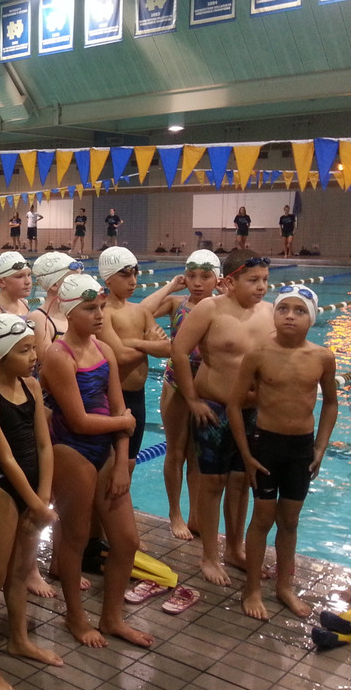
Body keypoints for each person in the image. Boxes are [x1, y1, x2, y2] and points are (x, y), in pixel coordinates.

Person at [40, 273, 151, 648]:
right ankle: (75, 617)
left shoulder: (104, 350)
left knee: (127, 540)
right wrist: (124, 423)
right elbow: (79, 421)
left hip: (105, 449)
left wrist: (121, 463)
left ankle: (112, 618)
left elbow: (119, 406)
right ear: (70, 312)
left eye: (101, 307)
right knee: (74, 538)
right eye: (90, 308)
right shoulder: (58, 356)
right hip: (71, 450)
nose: (100, 314)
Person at [230, 286, 336, 620]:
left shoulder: (322, 357)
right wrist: (246, 454)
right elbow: (234, 404)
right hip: (266, 445)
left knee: (289, 520)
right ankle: (252, 589)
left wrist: (320, 447)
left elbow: (331, 403)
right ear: (274, 314)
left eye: (299, 310)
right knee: (262, 518)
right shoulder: (258, 353)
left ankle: (284, 587)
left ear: (312, 318)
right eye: (283, 308)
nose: (290, 316)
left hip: (301, 448)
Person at [171, 249, 273, 586]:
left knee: (242, 482)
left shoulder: (269, 312)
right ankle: (209, 555)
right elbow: (179, 352)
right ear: (230, 281)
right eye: (253, 280)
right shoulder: (209, 309)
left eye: (265, 280)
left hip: (251, 413)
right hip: (214, 410)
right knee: (212, 483)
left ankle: (234, 549)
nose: (261, 287)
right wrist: (192, 400)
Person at [0, 314, 61, 690]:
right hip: (1, 491)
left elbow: (44, 444)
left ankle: (19, 639)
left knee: (21, 572)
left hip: (34, 491)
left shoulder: (31, 385)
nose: (33, 357)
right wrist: (35, 504)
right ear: (1, 354)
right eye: (24, 350)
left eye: (32, 348)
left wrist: (43, 497)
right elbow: (5, 458)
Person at [140, 249, 220, 539]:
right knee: (175, 451)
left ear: (217, 279)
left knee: (197, 456)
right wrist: (170, 286)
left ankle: (196, 515)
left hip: (207, 386)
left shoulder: (222, 307)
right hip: (175, 383)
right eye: (192, 276)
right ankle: (175, 513)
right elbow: (142, 311)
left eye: (205, 276)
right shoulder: (177, 303)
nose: (197, 282)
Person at [96, 246, 171, 471]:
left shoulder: (141, 311)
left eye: (135, 274)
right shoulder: (103, 312)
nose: (133, 281)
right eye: (125, 275)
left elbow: (167, 348)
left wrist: (133, 342)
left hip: (138, 397)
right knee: (110, 465)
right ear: (108, 279)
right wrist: (148, 343)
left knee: (129, 464)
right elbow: (119, 356)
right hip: (113, 397)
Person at [28, 251, 83, 368]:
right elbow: (49, 363)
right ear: (54, 285)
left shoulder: (75, 313)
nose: (81, 284)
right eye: (73, 279)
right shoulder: (39, 318)